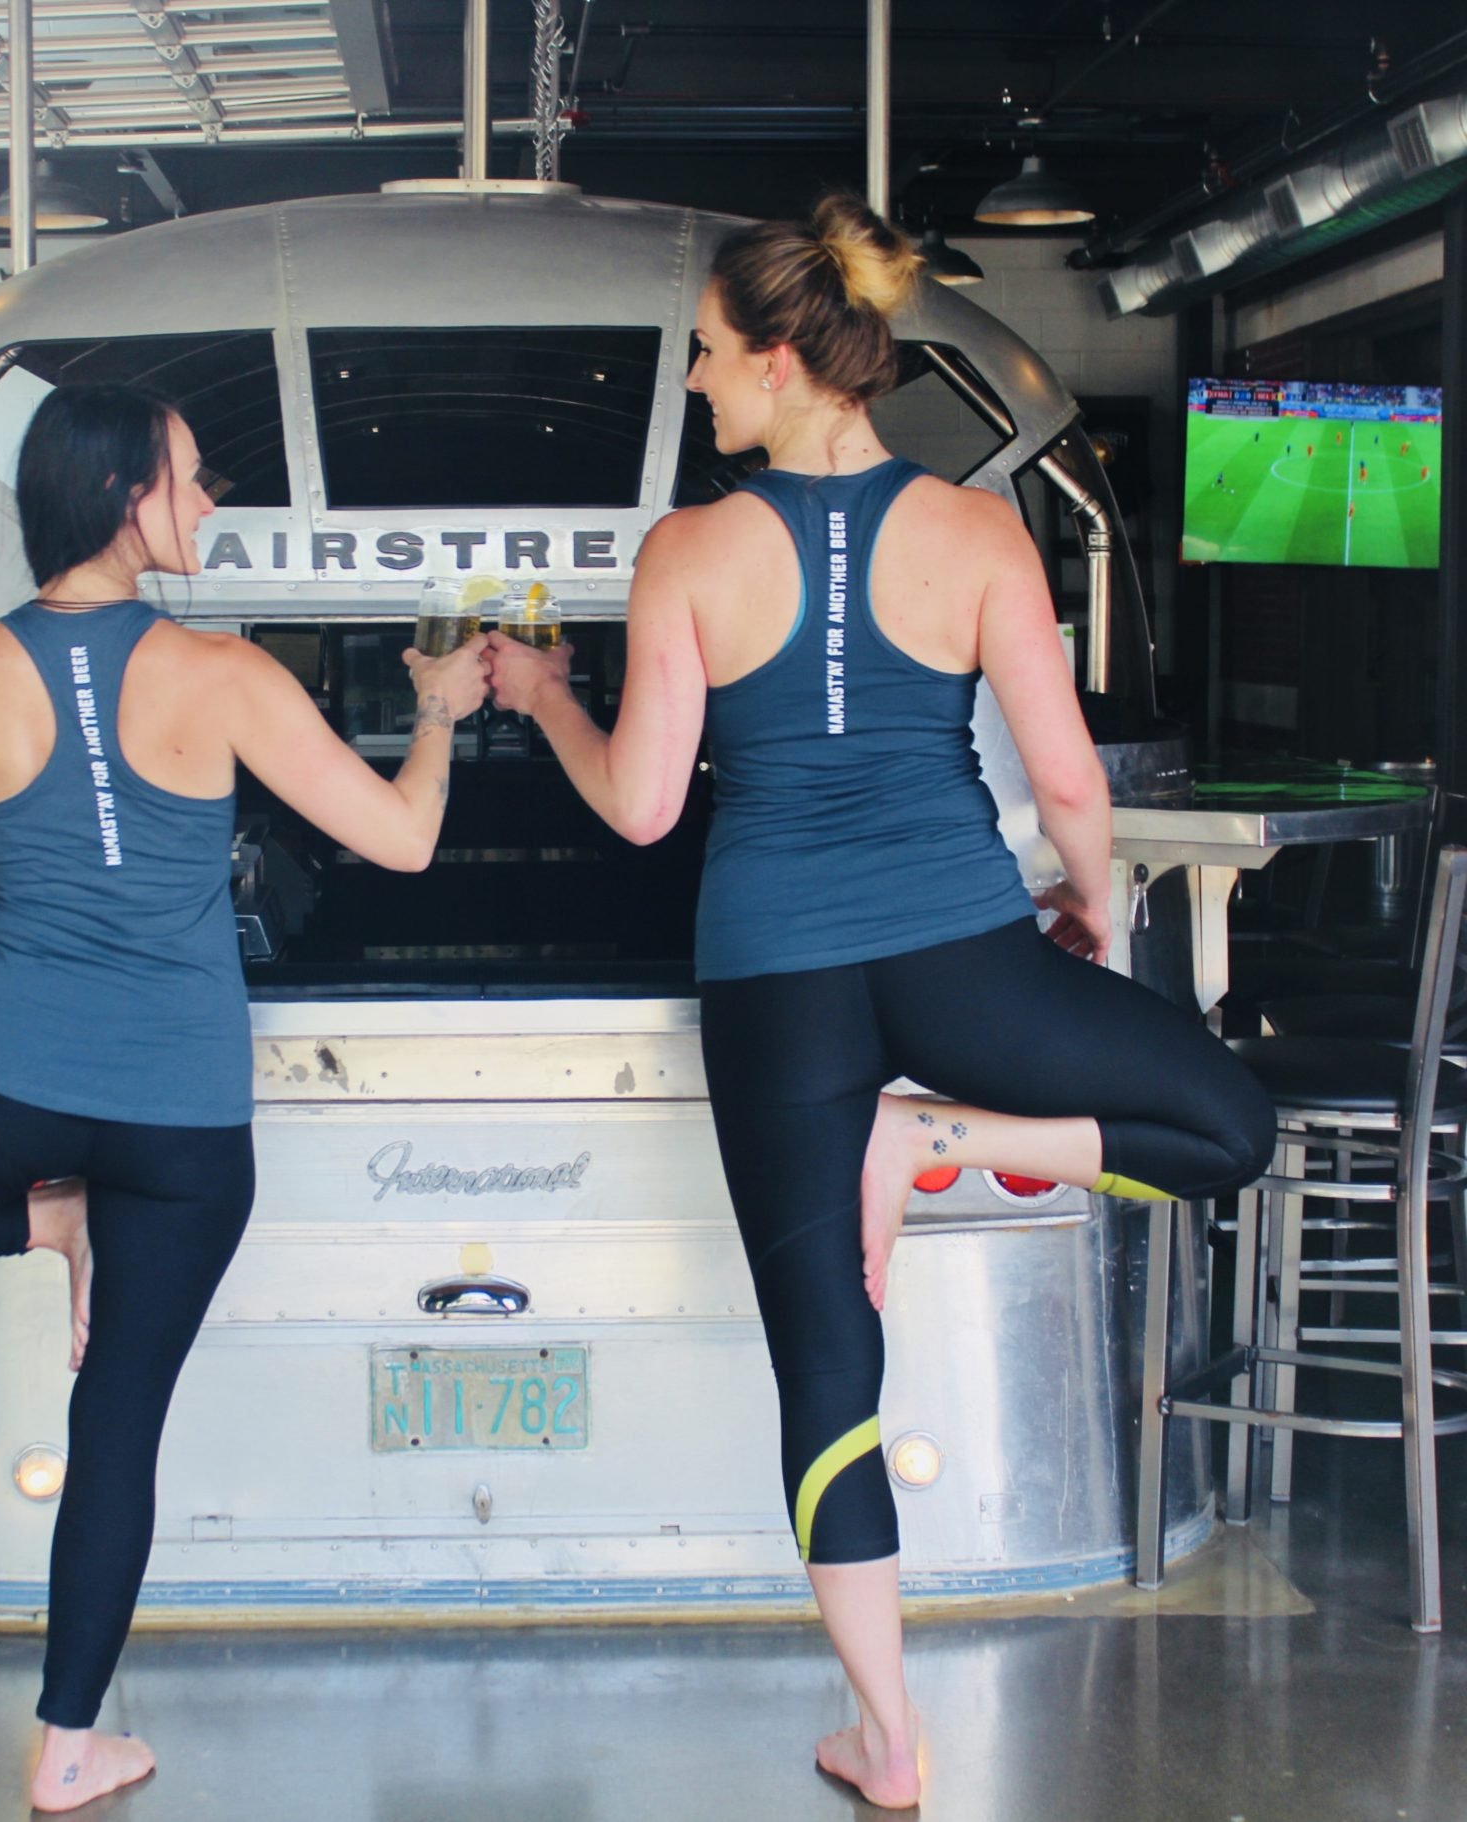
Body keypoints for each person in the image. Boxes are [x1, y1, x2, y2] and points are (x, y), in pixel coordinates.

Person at [485, 196, 1274, 1810]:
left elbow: (642, 807)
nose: (696, 382)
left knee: (826, 1367)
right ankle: (937, 1137)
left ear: (780, 360)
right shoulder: (983, 536)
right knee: (1230, 1126)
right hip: (966, 955)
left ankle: (888, 1735)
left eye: (707, 356)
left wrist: (553, 698)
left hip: (776, 981)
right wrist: (1092, 911)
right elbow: (1065, 781)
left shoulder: (689, 551)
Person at [0, 384, 490, 1812]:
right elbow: (402, 839)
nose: (209, 506)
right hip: (184, 1133)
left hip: (4, 1095)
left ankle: (40, 1220)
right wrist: (439, 713)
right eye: (193, 482)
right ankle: (69, 1749)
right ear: (125, 498)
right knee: (118, 1422)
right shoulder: (227, 674)